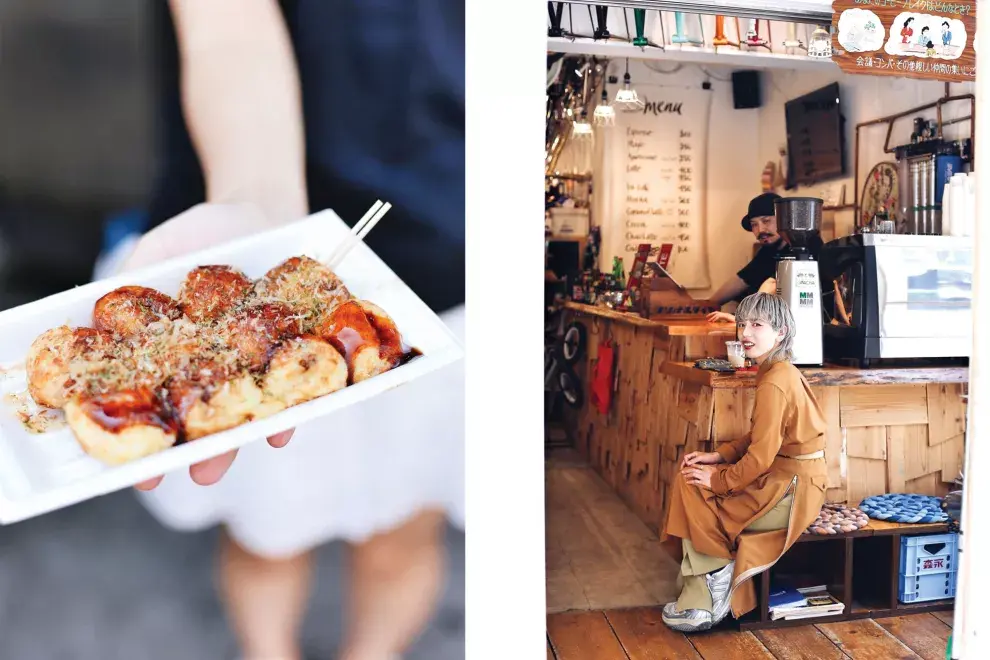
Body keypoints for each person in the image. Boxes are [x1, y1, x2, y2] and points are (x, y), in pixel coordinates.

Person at [96, 2, 465, 659]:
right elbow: (227, 29)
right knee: (267, 538)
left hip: (453, 248)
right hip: (244, 224)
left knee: (403, 535)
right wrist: (264, 213)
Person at [660, 293, 828, 633]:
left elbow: (762, 456)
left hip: (790, 493)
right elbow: (760, 438)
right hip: (786, 479)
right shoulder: (776, 370)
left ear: (780, 333)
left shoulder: (775, 381)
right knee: (693, 481)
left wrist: (718, 480)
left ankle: (712, 590)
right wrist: (719, 456)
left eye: (757, 325)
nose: (745, 332)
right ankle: (712, 581)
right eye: (742, 323)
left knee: (695, 487)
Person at [705, 192, 822, 324]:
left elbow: (773, 284)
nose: (760, 230)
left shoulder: (805, 243)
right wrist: (706, 306)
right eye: (754, 224)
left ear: (783, 219)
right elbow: (742, 279)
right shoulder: (769, 249)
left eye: (766, 221)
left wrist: (746, 319)